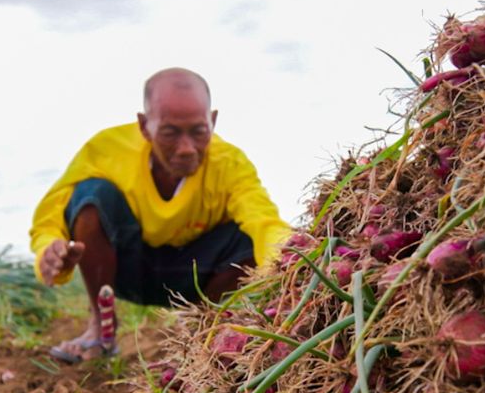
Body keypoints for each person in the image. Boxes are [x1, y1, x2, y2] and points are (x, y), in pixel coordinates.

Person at [30, 67, 290, 363]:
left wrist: (293, 260)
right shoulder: (107, 150)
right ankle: (101, 328)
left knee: (248, 239)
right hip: (125, 269)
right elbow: (50, 214)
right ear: (144, 126)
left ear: (212, 121)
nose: (186, 149)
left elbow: (264, 221)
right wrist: (49, 251)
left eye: (198, 131)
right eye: (169, 133)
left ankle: (201, 323)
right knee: (91, 196)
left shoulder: (231, 165)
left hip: (193, 277)